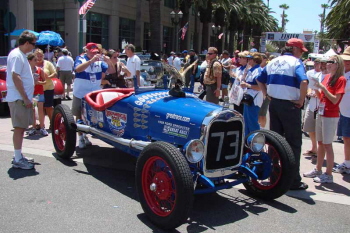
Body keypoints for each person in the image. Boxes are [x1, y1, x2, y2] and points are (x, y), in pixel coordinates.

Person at [257, 38, 309, 190]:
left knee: (276, 141)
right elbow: (304, 82)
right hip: (290, 105)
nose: (301, 54)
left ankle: (275, 176)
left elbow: (259, 79)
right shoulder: (296, 63)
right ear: (294, 49)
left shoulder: (273, 62)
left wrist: (267, 93)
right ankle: (293, 180)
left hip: (274, 104)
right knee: (294, 143)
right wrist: (301, 100)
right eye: (300, 51)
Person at [303, 55, 346, 183]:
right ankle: (318, 169)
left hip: (330, 115)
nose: (327, 64)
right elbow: (322, 96)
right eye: (327, 62)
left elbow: (335, 99)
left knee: (327, 144)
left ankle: (328, 174)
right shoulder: (327, 77)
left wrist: (322, 88)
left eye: (331, 62)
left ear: (338, 64)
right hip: (321, 113)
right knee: (320, 143)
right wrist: (316, 88)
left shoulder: (341, 79)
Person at [6, 31, 37, 169]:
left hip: (21, 98)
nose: (34, 47)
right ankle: (18, 159)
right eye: (33, 44)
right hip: (19, 99)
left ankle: (18, 155)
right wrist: (25, 97)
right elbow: (15, 76)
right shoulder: (17, 55)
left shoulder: (20, 55)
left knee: (21, 128)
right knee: (19, 128)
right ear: (26, 43)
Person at [73, 42, 113, 148]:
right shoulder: (80, 59)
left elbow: (111, 71)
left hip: (94, 94)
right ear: (87, 51)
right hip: (80, 93)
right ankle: (81, 138)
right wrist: (91, 61)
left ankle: (88, 135)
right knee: (79, 116)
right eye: (92, 53)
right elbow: (78, 69)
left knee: (93, 116)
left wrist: (109, 61)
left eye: (96, 52)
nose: (94, 55)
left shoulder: (100, 62)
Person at [333, 47, 350, 174]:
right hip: (344, 111)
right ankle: (347, 162)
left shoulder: (343, 77)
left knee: (347, 139)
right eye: (345, 60)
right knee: (346, 138)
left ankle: (348, 164)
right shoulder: (342, 74)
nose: (346, 62)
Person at [301, 58, 322, 156]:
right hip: (311, 103)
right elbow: (308, 86)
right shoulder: (309, 73)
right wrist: (309, 92)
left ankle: (320, 150)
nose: (317, 64)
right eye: (316, 62)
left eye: (319, 63)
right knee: (309, 128)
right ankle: (314, 148)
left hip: (321, 105)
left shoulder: (325, 75)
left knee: (319, 130)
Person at [240, 52, 263, 135]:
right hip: (248, 98)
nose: (248, 60)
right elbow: (242, 79)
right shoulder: (251, 70)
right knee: (246, 122)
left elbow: (260, 87)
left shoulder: (258, 71)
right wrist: (246, 70)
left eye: (250, 59)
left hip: (254, 100)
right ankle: (246, 142)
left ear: (255, 60)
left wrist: (246, 85)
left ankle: (255, 143)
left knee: (253, 123)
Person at [27, 52, 48, 136]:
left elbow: (45, 81)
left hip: (39, 92)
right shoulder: (26, 71)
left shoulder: (39, 70)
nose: (37, 61)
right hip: (30, 92)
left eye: (37, 59)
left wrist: (39, 82)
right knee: (32, 110)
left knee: (40, 110)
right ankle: (33, 127)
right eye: (34, 60)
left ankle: (42, 127)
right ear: (29, 61)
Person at [35, 48, 57, 127]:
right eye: (38, 56)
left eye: (41, 56)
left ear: (43, 56)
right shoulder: (32, 64)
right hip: (36, 89)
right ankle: (41, 124)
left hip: (48, 87)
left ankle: (52, 122)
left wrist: (48, 77)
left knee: (48, 107)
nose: (39, 57)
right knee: (39, 108)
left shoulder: (48, 63)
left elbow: (54, 73)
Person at [230, 50, 250, 114]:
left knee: (241, 111)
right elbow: (231, 75)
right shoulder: (239, 68)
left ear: (245, 59)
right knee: (236, 111)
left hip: (243, 93)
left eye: (241, 57)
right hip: (236, 92)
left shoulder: (248, 69)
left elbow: (242, 80)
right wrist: (231, 69)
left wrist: (235, 75)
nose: (239, 59)